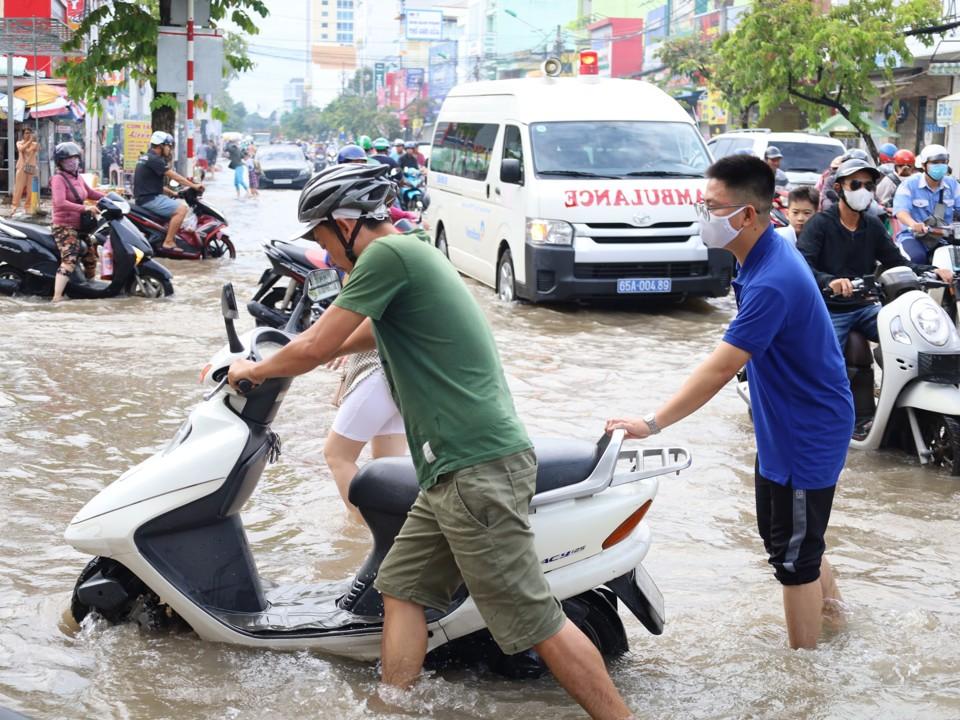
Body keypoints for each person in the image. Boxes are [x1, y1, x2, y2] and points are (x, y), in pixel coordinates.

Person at [227, 163, 636, 719]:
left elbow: (318, 345)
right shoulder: (413, 252)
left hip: (475, 467)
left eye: (320, 234)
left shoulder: (386, 256)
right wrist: (303, 349)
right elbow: (359, 333)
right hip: (450, 470)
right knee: (402, 588)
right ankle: (391, 706)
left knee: (534, 620)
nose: (322, 248)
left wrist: (249, 370)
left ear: (345, 223)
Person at [607, 154, 852, 651]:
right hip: (783, 426)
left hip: (807, 432)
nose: (704, 215)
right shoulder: (758, 259)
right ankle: (839, 628)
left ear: (747, 215)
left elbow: (719, 369)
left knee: (793, 561)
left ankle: (805, 676)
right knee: (789, 542)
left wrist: (650, 424)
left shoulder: (772, 280)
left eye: (712, 207)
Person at [798, 157, 952, 351]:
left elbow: (897, 262)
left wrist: (934, 270)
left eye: (869, 185)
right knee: (827, 364)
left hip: (867, 307)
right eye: (855, 185)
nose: (863, 191)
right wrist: (829, 281)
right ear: (838, 189)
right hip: (830, 310)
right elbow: (802, 266)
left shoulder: (873, 225)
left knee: (912, 341)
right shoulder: (819, 224)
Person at [49, 142, 106, 302]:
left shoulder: (78, 177)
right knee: (70, 259)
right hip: (64, 226)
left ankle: (88, 287)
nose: (73, 162)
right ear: (60, 162)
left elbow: (90, 193)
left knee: (91, 256)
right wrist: (86, 208)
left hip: (80, 226)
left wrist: (109, 197)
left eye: (75, 158)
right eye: (68, 159)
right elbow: (59, 203)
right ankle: (57, 297)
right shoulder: (58, 179)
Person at [133, 131, 203, 252]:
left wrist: (173, 193)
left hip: (145, 197)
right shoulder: (155, 159)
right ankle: (168, 242)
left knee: (175, 206)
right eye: (168, 146)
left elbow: (150, 184)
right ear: (161, 146)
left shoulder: (146, 157)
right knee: (182, 209)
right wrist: (194, 185)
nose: (169, 149)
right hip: (150, 200)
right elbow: (175, 176)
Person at [893, 144, 960, 264]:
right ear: (924, 165)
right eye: (935, 162)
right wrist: (913, 224)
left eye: (943, 162)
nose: (940, 165)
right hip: (913, 237)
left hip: (943, 237)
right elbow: (901, 212)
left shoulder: (952, 185)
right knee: (917, 259)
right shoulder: (909, 184)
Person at [10, 127, 39, 216]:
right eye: (26, 133)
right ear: (23, 134)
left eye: (29, 133)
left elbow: (29, 150)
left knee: (30, 188)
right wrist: (29, 141)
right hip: (21, 167)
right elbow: (22, 149)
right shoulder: (19, 143)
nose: (28, 134)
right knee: (18, 188)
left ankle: (28, 207)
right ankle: (14, 207)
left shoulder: (35, 144)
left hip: (31, 167)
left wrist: (31, 142)